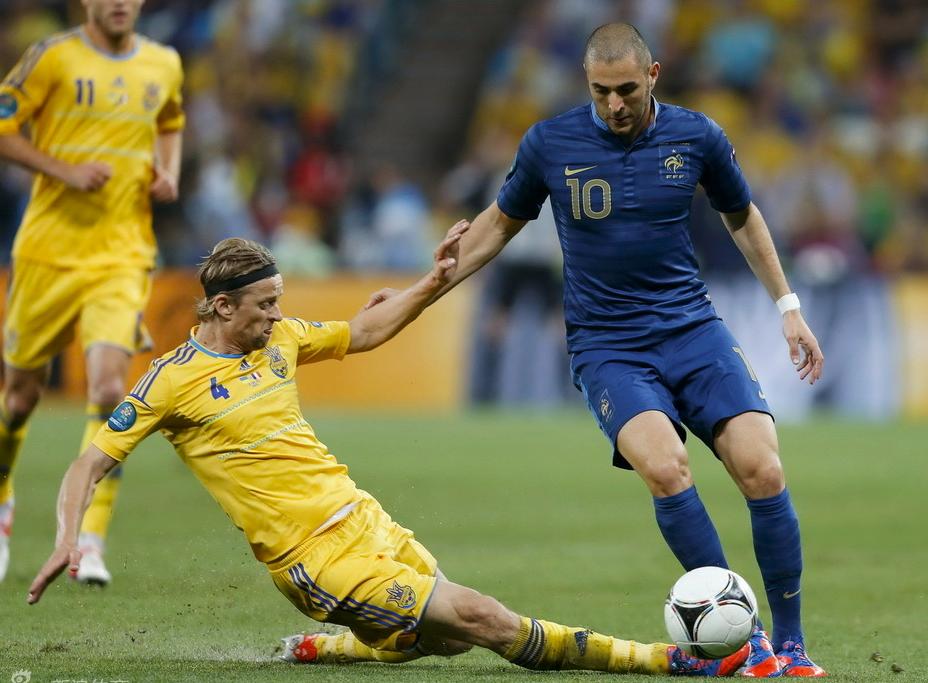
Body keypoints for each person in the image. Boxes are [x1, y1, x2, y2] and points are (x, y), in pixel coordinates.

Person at [28, 230, 749, 677]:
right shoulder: (170, 383)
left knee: (445, 643)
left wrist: (430, 284)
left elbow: (364, 332)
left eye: (280, 302)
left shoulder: (277, 341)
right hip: (312, 557)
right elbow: (90, 460)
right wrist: (68, 535)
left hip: (361, 516)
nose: (279, 316)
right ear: (220, 306)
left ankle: (326, 651)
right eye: (264, 305)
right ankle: (672, 660)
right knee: (484, 619)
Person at [424, 23, 827, 678]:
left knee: (764, 470)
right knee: (666, 469)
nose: (614, 104)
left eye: (627, 90)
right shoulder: (551, 143)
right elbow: (498, 224)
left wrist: (789, 308)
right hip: (608, 346)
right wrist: (424, 286)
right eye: (601, 91)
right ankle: (745, 639)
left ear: (654, 76)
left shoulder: (696, 136)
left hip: (693, 329)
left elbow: (742, 215)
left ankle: (792, 642)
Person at [0, 0, 184, 585]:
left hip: (123, 253)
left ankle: (90, 537)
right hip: (47, 254)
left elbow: (171, 121)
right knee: (19, 399)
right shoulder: (53, 57)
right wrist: (63, 169)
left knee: (109, 388)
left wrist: (168, 170)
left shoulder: (164, 63)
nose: (120, 3)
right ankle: (3, 503)